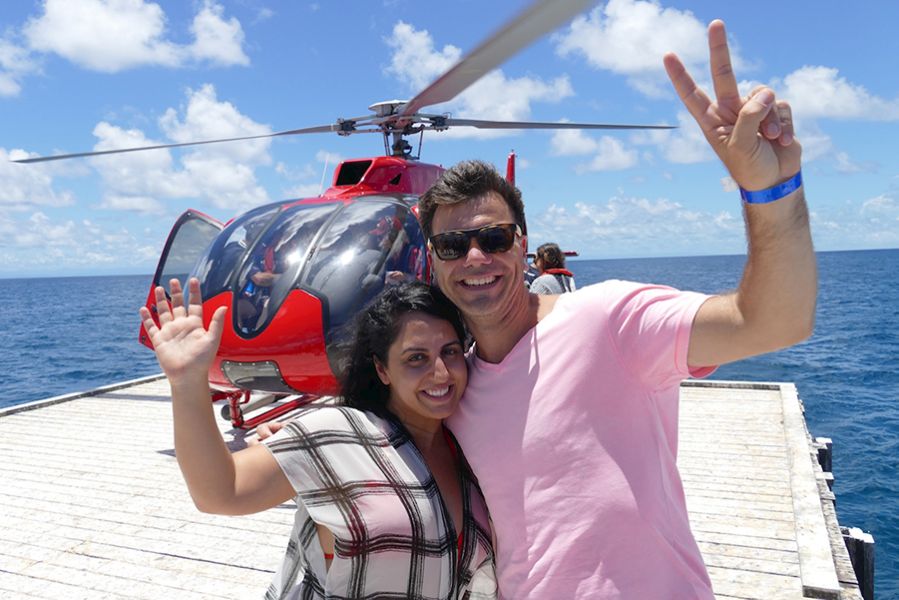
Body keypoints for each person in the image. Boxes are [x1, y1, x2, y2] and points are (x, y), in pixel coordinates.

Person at [414, 20, 816, 599]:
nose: (475, 257)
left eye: (494, 238)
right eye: (453, 245)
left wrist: (771, 193)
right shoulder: (453, 387)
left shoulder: (609, 319)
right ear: (432, 259)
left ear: (523, 245)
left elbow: (774, 323)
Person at [139, 279, 496, 599]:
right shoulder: (339, 433)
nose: (440, 372)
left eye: (450, 351)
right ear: (382, 369)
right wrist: (187, 382)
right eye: (416, 358)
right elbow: (221, 491)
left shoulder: (467, 447)